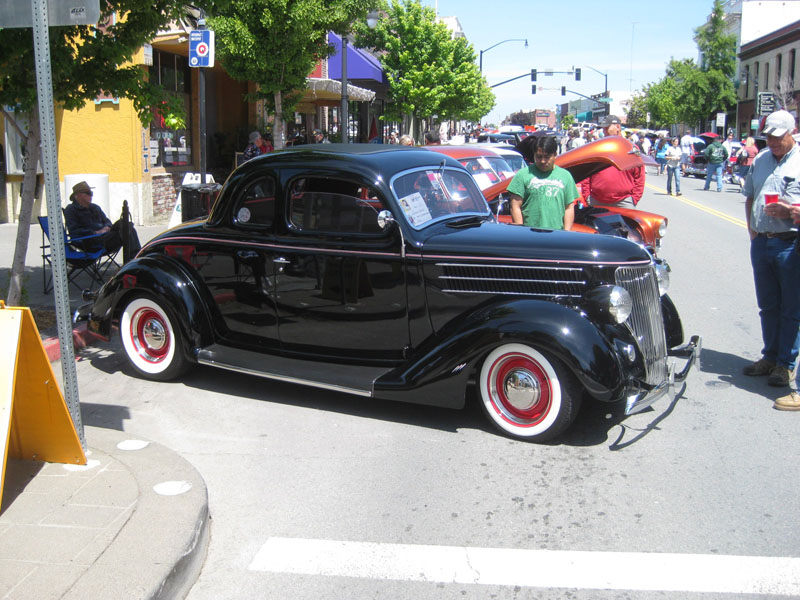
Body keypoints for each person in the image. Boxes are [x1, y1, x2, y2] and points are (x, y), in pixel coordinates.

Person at [741, 110, 800, 399]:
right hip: (762, 241)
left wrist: (791, 212)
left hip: (791, 243)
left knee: (792, 308)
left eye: (778, 137)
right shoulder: (762, 159)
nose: (773, 142)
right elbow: (750, 195)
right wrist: (752, 231)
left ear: (792, 133)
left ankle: (785, 364)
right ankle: (770, 356)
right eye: (768, 137)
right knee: (768, 306)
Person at [507, 135, 579, 230]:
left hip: (557, 235)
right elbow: (515, 206)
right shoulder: (523, 175)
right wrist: (521, 231)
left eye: (547, 157)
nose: (543, 161)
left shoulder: (565, 176)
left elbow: (569, 207)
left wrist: (566, 232)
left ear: (555, 155)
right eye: (538, 157)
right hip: (530, 234)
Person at [579, 115, 645, 208]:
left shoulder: (630, 148)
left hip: (624, 201)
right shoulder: (596, 148)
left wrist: (634, 198)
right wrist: (587, 195)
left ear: (618, 127)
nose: (604, 131)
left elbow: (639, 175)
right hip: (597, 200)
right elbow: (586, 173)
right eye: (603, 129)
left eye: (607, 128)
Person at [64, 181, 141, 259]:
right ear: (78, 195)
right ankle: (136, 258)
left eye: (91, 193)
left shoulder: (95, 207)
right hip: (89, 241)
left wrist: (107, 227)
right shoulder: (71, 209)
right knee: (126, 230)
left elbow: (107, 221)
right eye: (88, 193)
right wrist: (96, 232)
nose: (91, 195)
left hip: (105, 237)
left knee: (126, 226)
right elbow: (74, 231)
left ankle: (135, 257)